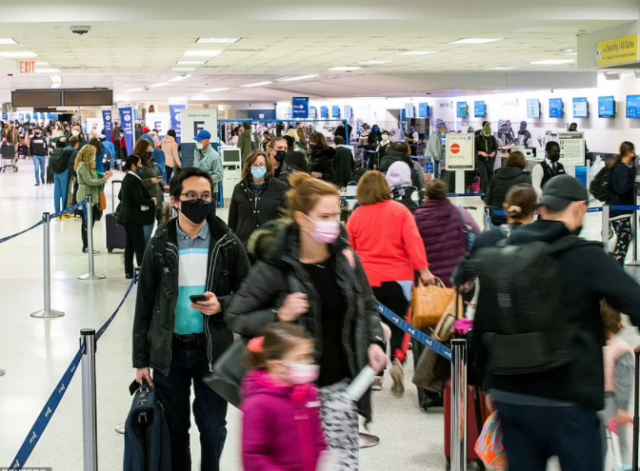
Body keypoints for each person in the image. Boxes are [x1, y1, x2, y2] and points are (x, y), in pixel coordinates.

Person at [467, 175, 640, 471]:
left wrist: (486, 385)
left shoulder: (503, 254)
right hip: (569, 400)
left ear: (543, 208)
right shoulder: (586, 257)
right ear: (580, 208)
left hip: (513, 397)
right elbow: (634, 301)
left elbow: (482, 325)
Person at [227, 173, 387, 470]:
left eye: (336, 213)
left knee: (344, 464)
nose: (334, 223)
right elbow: (237, 316)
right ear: (301, 219)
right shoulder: (276, 266)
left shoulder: (345, 258)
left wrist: (375, 339)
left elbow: (367, 305)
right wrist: (279, 315)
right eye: (324, 216)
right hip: (293, 393)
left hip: (342, 389)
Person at [133, 167, 250, 471]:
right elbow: (144, 304)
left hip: (212, 351)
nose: (200, 202)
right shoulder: (160, 244)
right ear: (175, 200)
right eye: (191, 196)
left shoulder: (226, 241)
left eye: (206, 196)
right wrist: (140, 361)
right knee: (174, 430)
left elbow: (250, 294)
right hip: (169, 352)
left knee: (212, 428)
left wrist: (222, 305)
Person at [347, 171, 434, 394]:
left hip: (367, 279)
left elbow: (349, 250)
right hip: (399, 278)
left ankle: (375, 373)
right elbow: (413, 241)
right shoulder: (400, 211)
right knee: (401, 324)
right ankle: (397, 358)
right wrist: (424, 271)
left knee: (371, 325)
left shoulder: (357, 215)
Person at [241, 323, 327, 471]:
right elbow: (253, 456)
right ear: (277, 366)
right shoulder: (258, 405)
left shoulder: (309, 393)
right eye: (301, 358)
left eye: (309, 356)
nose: (310, 362)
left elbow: (318, 437)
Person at [414, 179, 480, 285]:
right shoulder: (460, 213)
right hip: (457, 281)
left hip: (429, 283)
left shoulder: (416, 218)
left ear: (426, 198)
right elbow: (478, 239)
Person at [601, 301, 634, 470]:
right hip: (614, 403)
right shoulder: (622, 349)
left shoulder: (595, 346)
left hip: (594, 401)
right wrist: (623, 408)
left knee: (598, 445)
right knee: (622, 447)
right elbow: (624, 381)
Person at [228, 150, 287, 247]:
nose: (258, 167)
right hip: (244, 244)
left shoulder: (280, 187)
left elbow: (286, 217)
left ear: (267, 167)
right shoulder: (239, 188)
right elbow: (232, 219)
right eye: (255, 165)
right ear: (249, 167)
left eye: (261, 164)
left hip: (269, 245)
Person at [118, 155, 157, 279]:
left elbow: (120, 196)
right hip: (133, 217)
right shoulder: (134, 180)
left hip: (126, 216)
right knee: (139, 245)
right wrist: (151, 201)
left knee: (129, 244)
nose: (141, 166)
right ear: (134, 165)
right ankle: (142, 270)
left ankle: (129, 271)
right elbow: (139, 199)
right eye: (139, 164)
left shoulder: (126, 178)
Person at [75, 145, 112, 253]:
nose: (95, 156)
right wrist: (104, 180)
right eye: (93, 154)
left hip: (92, 197)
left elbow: (94, 175)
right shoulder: (82, 166)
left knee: (90, 223)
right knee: (87, 224)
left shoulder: (88, 165)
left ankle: (88, 246)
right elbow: (89, 181)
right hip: (86, 197)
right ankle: (86, 247)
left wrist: (102, 175)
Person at [607, 141, 637, 266]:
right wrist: (632, 177)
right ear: (628, 152)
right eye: (632, 151)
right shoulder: (622, 169)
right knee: (624, 238)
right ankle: (617, 265)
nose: (634, 154)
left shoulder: (619, 167)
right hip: (619, 210)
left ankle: (615, 262)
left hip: (619, 209)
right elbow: (622, 189)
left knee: (623, 237)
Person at [486, 151, 531, 226]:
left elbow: (488, 200)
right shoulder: (525, 178)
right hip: (516, 217)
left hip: (496, 216)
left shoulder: (495, 177)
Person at [194, 129, 223, 211]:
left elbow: (219, 175)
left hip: (210, 192)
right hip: (197, 191)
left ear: (206, 141)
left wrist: (205, 179)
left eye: (199, 141)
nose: (197, 143)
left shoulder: (215, 157)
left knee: (210, 218)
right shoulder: (197, 152)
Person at [475, 122, 498, 194]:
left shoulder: (492, 138)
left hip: (489, 160)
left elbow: (495, 148)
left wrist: (493, 153)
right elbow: (474, 149)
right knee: (484, 177)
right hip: (481, 160)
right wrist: (481, 153)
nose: (487, 136)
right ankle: (484, 195)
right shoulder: (477, 138)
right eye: (486, 134)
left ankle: (490, 193)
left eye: (489, 134)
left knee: (491, 177)